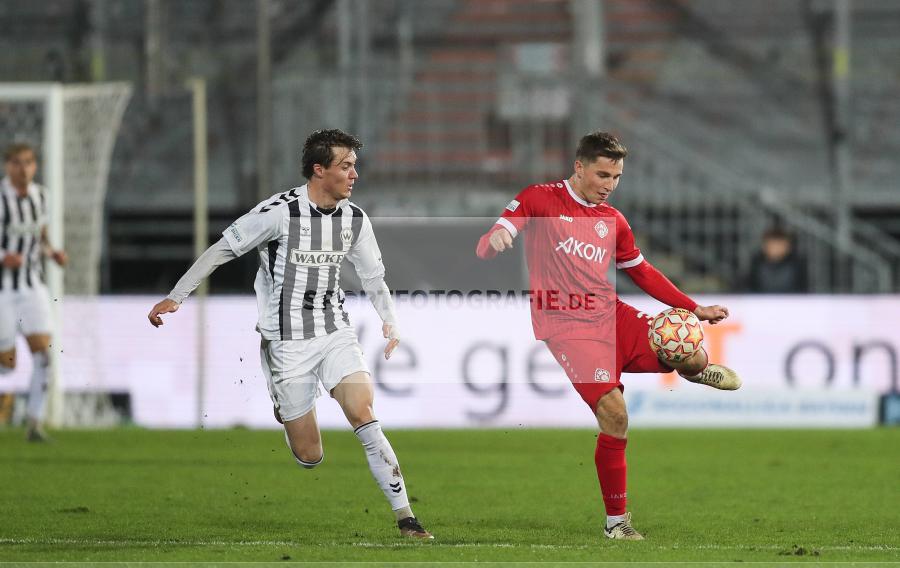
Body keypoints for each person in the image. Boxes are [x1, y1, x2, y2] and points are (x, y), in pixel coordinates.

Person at [148, 129, 432, 539]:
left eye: (355, 165)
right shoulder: (278, 212)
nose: (355, 174)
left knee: (364, 414)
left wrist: (390, 321)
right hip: (286, 342)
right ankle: (284, 403)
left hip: (334, 331)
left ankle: (407, 518)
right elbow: (223, 248)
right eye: (346, 166)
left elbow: (373, 276)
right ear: (319, 170)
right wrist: (177, 297)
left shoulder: (355, 219)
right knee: (309, 455)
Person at [475, 131, 741, 540]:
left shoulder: (612, 221)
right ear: (578, 167)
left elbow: (642, 270)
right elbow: (487, 245)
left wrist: (694, 308)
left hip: (611, 315)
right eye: (602, 175)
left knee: (692, 353)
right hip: (567, 327)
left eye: (616, 177)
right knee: (616, 414)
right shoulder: (539, 199)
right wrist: (499, 238)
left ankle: (692, 371)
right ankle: (617, 524)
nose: (609, 185)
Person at [0, 143, 68, 442]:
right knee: (8, 363)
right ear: (7, 166)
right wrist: (3, 257)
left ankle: (34, 425)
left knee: (44, 355)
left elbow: (40, 234)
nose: (23, 169)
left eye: (28, 162)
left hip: (32, 286)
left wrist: (52, 252)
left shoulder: (41, 196)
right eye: (17, 163)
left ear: (35, 166)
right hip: (3, 289)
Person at [743, 225, 808, 293]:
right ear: (765, 246)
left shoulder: (797, 264)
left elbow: (802, 290)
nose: (776, 249)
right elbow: (750, 287)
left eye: (779, 245)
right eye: (773, 245)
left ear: (788, 246)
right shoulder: (756, 263)